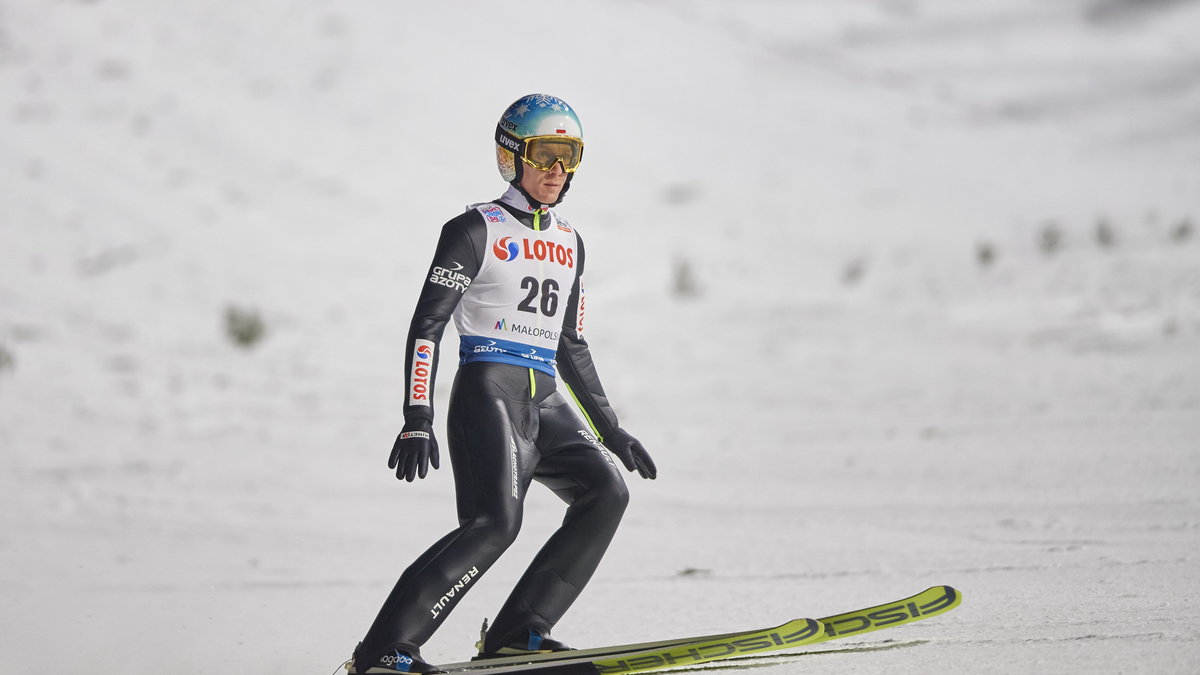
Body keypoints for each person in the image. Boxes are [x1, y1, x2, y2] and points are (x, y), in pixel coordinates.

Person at [349, 93, 657, 674]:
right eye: (544, 155)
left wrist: (611, 429)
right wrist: (417, 417)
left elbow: (570, 343)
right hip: (488, 387)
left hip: (545, 395)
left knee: (607, 493)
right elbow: (427, 326)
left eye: (569, 157)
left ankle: (520, 632)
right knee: (495, 524)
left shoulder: (571, 242)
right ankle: (384, 652)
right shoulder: (472, 229)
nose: (556, 171)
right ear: (510, 155)